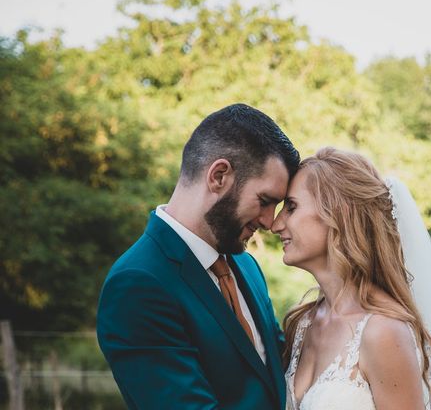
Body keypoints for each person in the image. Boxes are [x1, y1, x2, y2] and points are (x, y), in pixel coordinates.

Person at [97, 104, 300, 410]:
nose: (270, 221)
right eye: (264, 201)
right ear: (219, 176)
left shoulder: (245, 265)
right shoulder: (138, 283)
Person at [271, 147, 431, 410]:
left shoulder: (383, 331)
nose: (276, 224)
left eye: (291, 207)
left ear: (340, 214)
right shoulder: (302, 324)